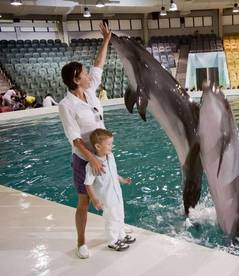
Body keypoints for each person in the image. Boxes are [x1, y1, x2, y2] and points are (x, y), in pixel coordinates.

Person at [58, 22, 111, 259]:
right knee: (84, 202)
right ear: (76, 80)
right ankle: (81, 242)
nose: (89, 75)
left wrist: (106, 40)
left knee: (110, 194)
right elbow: (75, 138)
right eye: (85, 74)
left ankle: (115, 229)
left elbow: (98, 64)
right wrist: (92, 159)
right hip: (84, 159)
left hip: (102, 153)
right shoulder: (66, 105)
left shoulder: (90, 92)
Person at [84, 128, 136, 251]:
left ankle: (121, 235)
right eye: (109, 144)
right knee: (111, 220)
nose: (112, 146)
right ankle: (113, 241)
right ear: (98, 146)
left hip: (117, 194)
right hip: (106, 198)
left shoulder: (110, 156)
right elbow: (88, 184)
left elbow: (113, 173)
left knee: (120, 216)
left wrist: (122, 180)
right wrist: (94, 199)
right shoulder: (92, 165)